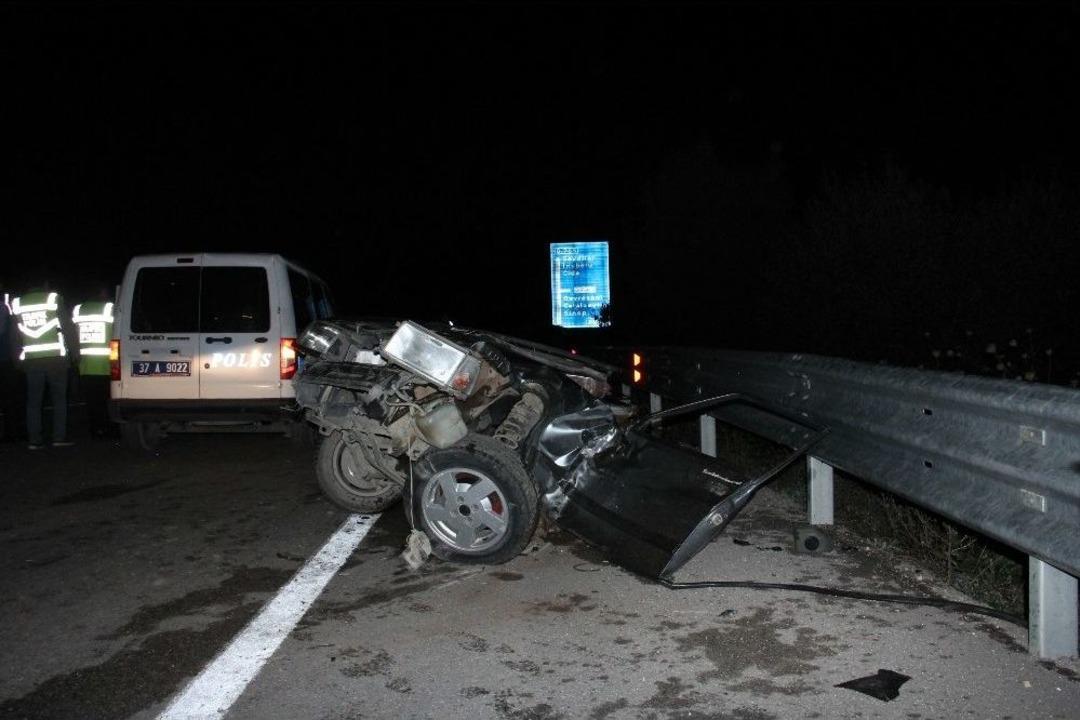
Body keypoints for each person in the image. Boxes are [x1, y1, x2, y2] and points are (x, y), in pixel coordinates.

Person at [11, 283, 78, 449]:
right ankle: (58, 438)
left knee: (33, 402)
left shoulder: (18, 303)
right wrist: (75, 353)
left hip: (32, 360)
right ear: (45, 284)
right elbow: (67, 327)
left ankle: (34, 440)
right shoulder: (53, 299)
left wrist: (16, 360)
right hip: (56, 359)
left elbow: (14, 335)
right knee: (59, 400)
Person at [72, 288, 115, 437]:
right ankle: (109, 430)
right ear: (102, 293)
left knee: (91, 403)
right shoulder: (109, 308)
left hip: (85, 366)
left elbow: (73, 335)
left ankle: (95, 431)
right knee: (107, 402)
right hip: (105, 366)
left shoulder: (78, 310)